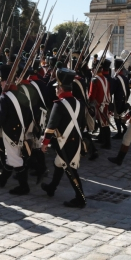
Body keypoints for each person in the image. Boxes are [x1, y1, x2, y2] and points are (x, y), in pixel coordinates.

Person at [41, 68, 87, 208]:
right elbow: (82, 124)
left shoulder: (58, 104)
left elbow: (51, 127)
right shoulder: (79, 103)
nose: (55, 90)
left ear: (60, 88)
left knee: (71, 170)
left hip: (64, 142)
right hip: (75, 140)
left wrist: (45, 143)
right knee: (59, 164)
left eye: (57, 87)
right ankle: (52, 188)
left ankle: (80, 198)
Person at [0, 63, 34, 195]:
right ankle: (3, 179)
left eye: (1, 82)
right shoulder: (21, 93)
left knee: (16, 160)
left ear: (5, 81)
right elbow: (29, 116)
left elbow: (0, 117)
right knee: (12, 157)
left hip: (10, 132)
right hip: (21, 130)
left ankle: (24, 186)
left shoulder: (5, 97)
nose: (0, 85)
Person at [88, 59, 112, 149]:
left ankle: (107, 143)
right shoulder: (105, 79)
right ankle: (102, 139)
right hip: (105, 104)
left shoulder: (94, 80)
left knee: (104, 124)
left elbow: (91, 95)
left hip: (98, 104)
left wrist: (89, 102)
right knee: (104, 123)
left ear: (94, 70)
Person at [111, 58, 131, 139]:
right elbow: (128, 91)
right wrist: (126, 99)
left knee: (116, 117)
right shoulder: (125, 78)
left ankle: (119, 133)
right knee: (120, 116)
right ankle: (125, 128)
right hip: (124, 99)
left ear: (116, 69)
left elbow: (112, 91)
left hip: (117, 100)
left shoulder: (115, 79)